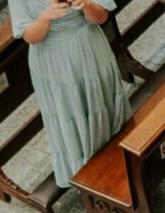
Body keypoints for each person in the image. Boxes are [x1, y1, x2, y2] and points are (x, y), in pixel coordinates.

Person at [9, 0, 132, 189]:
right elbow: (30, 36)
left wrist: (87, 4)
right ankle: (92, 180)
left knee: (103, 101)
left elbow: (101, 18)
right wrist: (45, 17)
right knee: (72, 112)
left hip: (90, 48)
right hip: (55, 61)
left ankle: (124, 160)